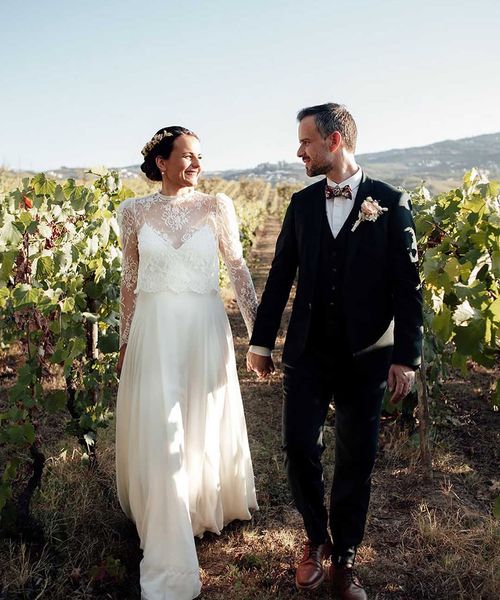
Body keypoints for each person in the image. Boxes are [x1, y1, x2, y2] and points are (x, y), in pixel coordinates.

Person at [247, 103, 423, 600]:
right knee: (299, 446)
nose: (298, 150)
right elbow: (279, 275)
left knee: (356, 457)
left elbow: (408, 288)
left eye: (305, 141)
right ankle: (315, 539)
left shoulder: (390, 202)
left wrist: (405, 357)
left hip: (367, 355)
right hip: (306, 352)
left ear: (334, 141)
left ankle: (345, 555)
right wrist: (262, 342)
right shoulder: (301, 205)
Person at [115, 126, 258, 600]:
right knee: (162, 426)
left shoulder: (218, 207)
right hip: (153, 332)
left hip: (203, 329)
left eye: (200, 156)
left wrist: (258, 335)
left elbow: (237, 268)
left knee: (198, 416)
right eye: (188, 156)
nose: (197, 163)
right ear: (161, 162)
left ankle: (197, 505)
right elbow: (129, 283)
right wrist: (122, 342)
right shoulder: (132, 212)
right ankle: (166, 533)